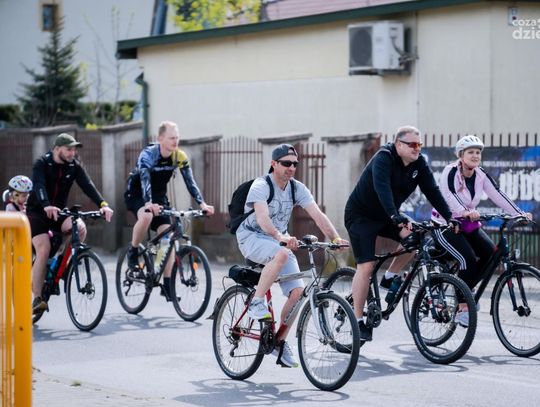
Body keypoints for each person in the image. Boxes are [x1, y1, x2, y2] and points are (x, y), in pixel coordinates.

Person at [236, 143, 349, 368]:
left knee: (297, 292)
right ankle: (257, 301)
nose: (291, 168)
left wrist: (335, 238)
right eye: (286, 163)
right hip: (251, 237)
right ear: (274, 164)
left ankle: (278, 342)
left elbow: (317, 214)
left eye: (295, 164)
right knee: (281, 253)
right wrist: (280, 236)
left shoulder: (297, 188)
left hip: (278, 241)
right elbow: (262, 218)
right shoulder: (261, 185)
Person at [344, 125, 459, 341]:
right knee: (366, 267)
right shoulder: (384, 157)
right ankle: (358, 322)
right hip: (361, 217)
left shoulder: (419, 163)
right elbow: (382, 188)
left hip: (388, 215)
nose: (417, 148)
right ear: (398, 144)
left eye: (420, 144)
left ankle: (389, 277)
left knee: (415, 239)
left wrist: (449, 217)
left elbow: (432, 191)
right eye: (412, 144)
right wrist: (394, 214)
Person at [432, 135, 533, 326]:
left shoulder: (480, 174)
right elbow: (449, 194)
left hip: (467, 224)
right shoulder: (450, 171)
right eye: (470, 152)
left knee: (490, 254)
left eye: (478, 152)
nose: (475, 155)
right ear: (461, 155)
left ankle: (465, 289)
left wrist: (519, 213)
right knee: (467, 259)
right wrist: (465, 211)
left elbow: (497, 194)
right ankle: (463, 307)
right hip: (445, 224)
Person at [124, 121, 214, 300]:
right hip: (137, 194)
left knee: (167, 237)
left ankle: (166, 284)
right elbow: (144, 179)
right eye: (171, 137)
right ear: (160, 138)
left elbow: (190, 182)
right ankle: (133, 251)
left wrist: (202, 204)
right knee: (146, 217)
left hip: (159, 198)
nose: (175, 141)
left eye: (177, 137)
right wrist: (148, 203)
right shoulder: (148, 154)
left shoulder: (179, 156)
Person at [27, 133, 114, 316]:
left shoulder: (74, 166)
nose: (72, 153)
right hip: (37, 212)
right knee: (43, 249)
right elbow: (39, 185)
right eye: (69, 149)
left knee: (79, 228)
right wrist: (46, 205)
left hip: (58, 212)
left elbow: (88, 185)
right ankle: (37, 298)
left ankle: (62, 265)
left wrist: (103, 205)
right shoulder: (42, 163)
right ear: (57, 149)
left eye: (74, 149)